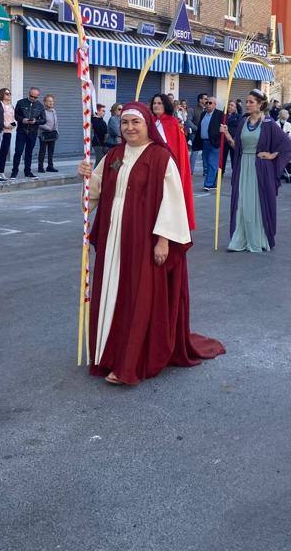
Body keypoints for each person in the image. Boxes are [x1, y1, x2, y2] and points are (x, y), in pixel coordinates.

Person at [77, 102, 224, 385]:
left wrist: (162, 241)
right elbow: (95, 193)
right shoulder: (115, 155)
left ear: (147, 125)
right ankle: (108, 353)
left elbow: (172, 203)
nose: (130, 128)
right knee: (113, 291)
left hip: (144, 238)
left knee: (137, 294)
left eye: (136, 123)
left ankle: (130, 361)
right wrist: (85, 175)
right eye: (125, 123)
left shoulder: (160, 158)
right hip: (114, 237)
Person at [221, 89, 291, 252]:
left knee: (256, 202)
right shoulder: (243, 121)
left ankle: (258, 238)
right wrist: (226, 134)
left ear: (260, 104)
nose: (247, 105)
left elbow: (288, 145)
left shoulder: (269, 123)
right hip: (243, 167)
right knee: (243, 203)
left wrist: (272, 155)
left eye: (251, 102)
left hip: (260, 169)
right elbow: (237, 147)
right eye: (246, 102)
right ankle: (240, 239)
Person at [150, 94, 195, 230]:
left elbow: (178, 149)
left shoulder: (173, 123)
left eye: (159, 103)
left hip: (168, 166)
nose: (156, 105)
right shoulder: (149, 122)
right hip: (152, 165)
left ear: (166, 105)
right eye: (154, 103)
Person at [11, 87, 45, 179]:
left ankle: (28, 172)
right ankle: (14, 172)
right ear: (28, 94)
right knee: (18, 151)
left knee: (29, 152)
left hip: (33, 132)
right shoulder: (21, 102)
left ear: (38, 97)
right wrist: (22, 120)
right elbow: (15, 115)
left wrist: (35, 121)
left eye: (35, 97)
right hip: (21, 131)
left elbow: (44, 120)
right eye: (31, 96)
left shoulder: (40, 106)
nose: (33, 98)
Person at [194, 96, 223, 191]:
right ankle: (214, 183)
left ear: (215, 105)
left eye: (210, 103)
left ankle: (208, 184)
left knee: (212, 163)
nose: (208, 104)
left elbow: (223, 126)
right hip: (205, 142)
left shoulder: (219, 114)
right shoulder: (203, 114)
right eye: (207, 103)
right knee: (206, 163)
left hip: (214, 142)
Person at [0, 88, 16, 181]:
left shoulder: (11, 106)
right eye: (7, 93)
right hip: (0, 131)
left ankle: (1, 171)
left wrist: (14, 124)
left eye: (10, 93)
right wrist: (6, 125)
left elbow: (13, 118)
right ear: (2, 94)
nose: (9, 95)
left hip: (8, 132)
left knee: (4, 152)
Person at [38, 94, 59, 172]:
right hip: (43, 134)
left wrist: (57, 131)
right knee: (42, 151)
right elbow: (38, 123)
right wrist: (47, 128)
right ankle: (40, 167)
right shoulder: (42, 111)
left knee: (51, 152)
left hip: (52, 134)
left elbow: (56, 122)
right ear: (44, 102)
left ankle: (50, 166)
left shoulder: (54, 111)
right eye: (49, 101)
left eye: (52, 101)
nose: (51, 103)